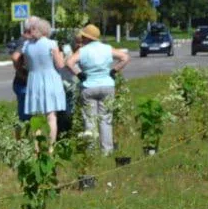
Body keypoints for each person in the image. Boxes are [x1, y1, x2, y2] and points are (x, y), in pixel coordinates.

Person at [67, 23, 130, 155]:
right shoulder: (107, 48)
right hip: (107, 86)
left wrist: (79, 74)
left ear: (87, 38)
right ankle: (107, 151)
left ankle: (91, 150)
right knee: (106, 119)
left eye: (83, 37)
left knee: (89, 120)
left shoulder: (83, 51)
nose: (81, 39)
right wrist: (114, 70)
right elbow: (125, 57)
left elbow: (69, 62)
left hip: (88, 86)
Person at [19, 16, 67, 144]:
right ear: (46, 30)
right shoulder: (51, 44)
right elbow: (60, 65)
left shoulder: (27, 46)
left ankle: (37, 147)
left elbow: (27, 65)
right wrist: (62, 55)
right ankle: (51, 147)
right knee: (51, 116)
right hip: (51, 79)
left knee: (36, 118)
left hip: (34, 80)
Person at [8, 24, 33, 121]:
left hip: (21, 82)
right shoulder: (24, 41)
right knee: (26, 116)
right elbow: (15, 57)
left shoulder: (22, 40)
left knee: (25, 113)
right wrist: (21, 73)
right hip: (23, 83)